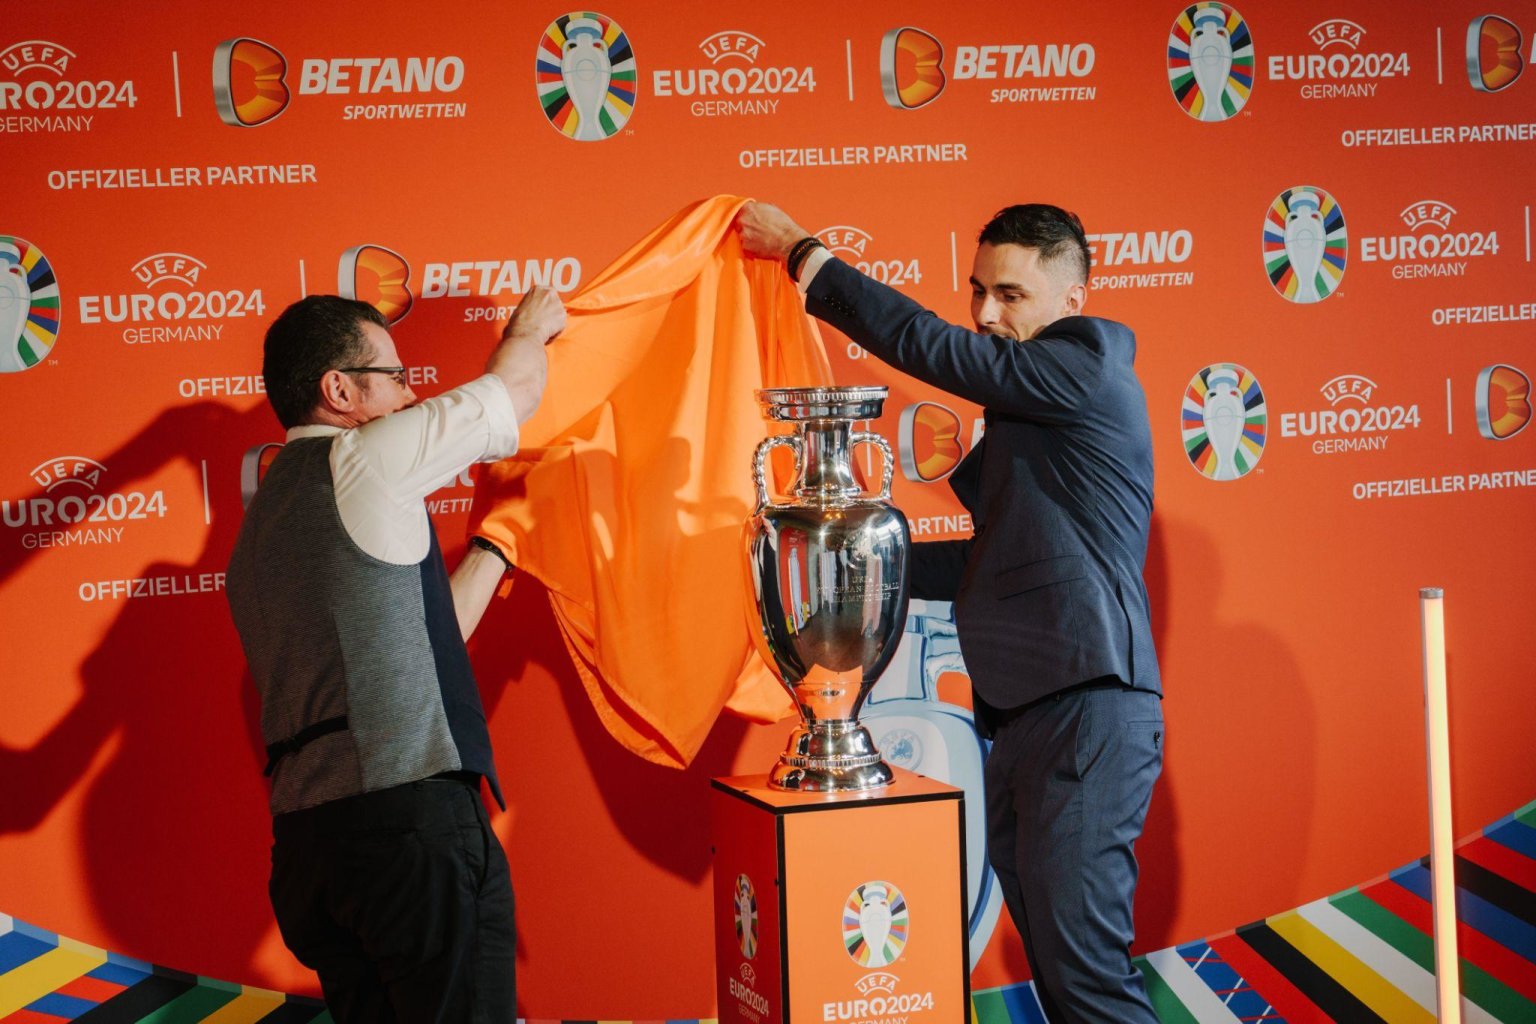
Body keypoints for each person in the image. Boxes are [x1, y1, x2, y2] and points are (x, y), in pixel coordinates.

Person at [738, 203, 1164, 1024]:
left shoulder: (1084, 366)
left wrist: (805, 256)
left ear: (1073, 297)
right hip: (1027, 718)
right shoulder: (1036, 412)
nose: (985, 315)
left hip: (1089, 711)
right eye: (977, 291)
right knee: (1063, 976)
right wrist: (841, 563)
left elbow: (934, 349)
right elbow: (991, 562)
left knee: (1088, 982)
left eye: (1010, 295)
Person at [226, 288, 565, 1021]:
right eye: (397, 376)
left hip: (315, 852)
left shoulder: (255, 535)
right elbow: (520, 388)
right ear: (339, 390)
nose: (414, 395)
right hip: (409, 833)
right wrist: (530, 328)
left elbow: (420, 633)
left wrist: (498, 547)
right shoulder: (366, 461)